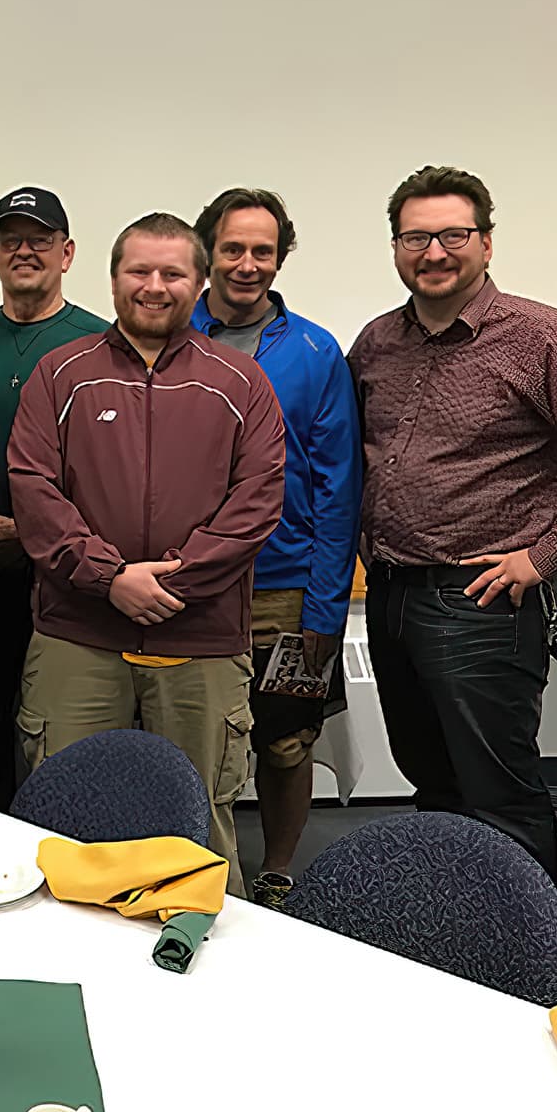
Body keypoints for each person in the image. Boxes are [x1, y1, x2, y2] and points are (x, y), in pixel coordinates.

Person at [349, 165, 557, 887]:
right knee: (433, 786)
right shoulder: (377, 342)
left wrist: (545, 556)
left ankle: (526, 968)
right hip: (392, 594)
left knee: (501, 798)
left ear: (486, 243)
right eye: (416, 236)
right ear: (396, 247)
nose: (434, 251)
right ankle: (455, 940)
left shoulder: (542, 337)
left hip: (480, 601)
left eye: (454, 234)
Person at [8, 213, 285, 894]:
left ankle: (206, 969)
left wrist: (172, 583)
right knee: (61, 817)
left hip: (202, 640)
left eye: (172, 273)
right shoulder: (60, 375)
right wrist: (109, 580)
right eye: (139, 271)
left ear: (200, 282)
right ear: (112, 279)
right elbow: (33, 489)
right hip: (80, 634)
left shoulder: (241, 382)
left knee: (202, 820)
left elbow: (257, 501)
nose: (154, 286)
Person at [189, 187, 361, 909]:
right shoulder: (167, 332)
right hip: (192, 584)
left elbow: (338, 486)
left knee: (286, 741)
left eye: (263, 250)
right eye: (233, 248)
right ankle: (198, 869)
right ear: (208, 253)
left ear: (281, 256)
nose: (247, 264)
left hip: (285, 589)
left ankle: (279, 869)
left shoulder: (316, 352)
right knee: (193, 735)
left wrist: (323, 611)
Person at [0, 187, 108, 808]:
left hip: (63, 570)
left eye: (39, 240)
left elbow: (112, 471)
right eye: (10, 240)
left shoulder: (99, 343)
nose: (24, 252)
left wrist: (29, 529)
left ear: (66, 254)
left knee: (54, 724)